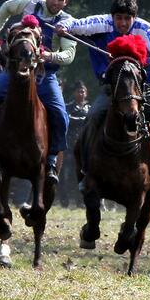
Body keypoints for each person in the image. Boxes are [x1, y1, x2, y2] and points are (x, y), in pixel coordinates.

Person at [57, 0, 150, 197]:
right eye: (118, 18)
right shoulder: (100, 23)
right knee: (92, 117)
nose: (122, 23)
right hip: (111, 90)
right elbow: (71, 24)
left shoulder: (144, 29)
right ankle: (86, 171)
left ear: (134, 18)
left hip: (142, 89)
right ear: (112, 17)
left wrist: (138, 64)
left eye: (127, 18)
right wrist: (64, 29)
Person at [0, 0, 77, 183]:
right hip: (14, 71)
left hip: (45, 76)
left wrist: (49, 56)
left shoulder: (67, 21)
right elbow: (7, 7)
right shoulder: (29, 4)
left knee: (61, 115)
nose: (56, 2)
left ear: (66, 2)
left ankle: (51, 160)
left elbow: (69, 55)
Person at [60, 80, 90, 208]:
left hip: (85, 146)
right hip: (69, 146)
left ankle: (80, 200)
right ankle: (64, 199)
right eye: (79, 91)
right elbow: (67, 121)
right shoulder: (68, 107)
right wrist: (82, 120)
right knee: (66, 174)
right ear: (74, 93)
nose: (81, 93)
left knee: (83, 174)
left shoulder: (90, 108)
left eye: (83, 91)